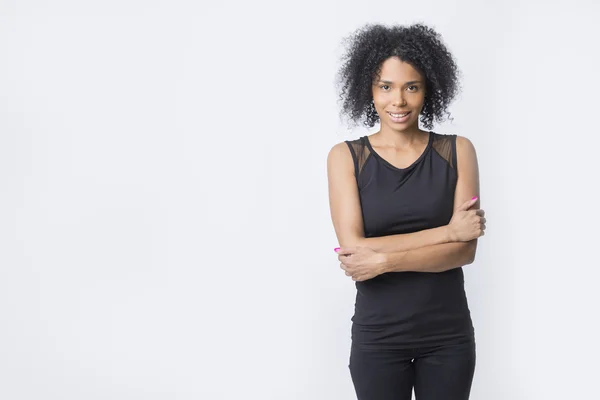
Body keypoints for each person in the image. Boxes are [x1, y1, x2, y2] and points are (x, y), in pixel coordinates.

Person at [327, 23, 487, 400]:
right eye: (386, 86)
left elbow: (465, 251)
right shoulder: (345, 157)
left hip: (447, 337)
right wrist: (446, 232)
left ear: (428, 89)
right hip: (378, 338)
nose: (398, 100)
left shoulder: (458, 150)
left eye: (411, 87)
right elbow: (354, 251)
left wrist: (382, 260)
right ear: (369, 89)